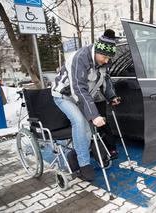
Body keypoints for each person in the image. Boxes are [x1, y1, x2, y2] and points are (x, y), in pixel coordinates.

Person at [51, 29, 120, 181]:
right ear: (97, 51)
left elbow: (105, 80)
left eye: (109, 58)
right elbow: (79, 89)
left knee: (88, 132)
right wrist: (94, 115)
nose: (106, 61)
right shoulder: (80, 58)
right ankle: (84, 165)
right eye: (104, 57)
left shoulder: (103, 60)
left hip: (82, 97)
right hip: (65, 96)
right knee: (80, 122)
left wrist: (111, 96)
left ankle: (74, 156)